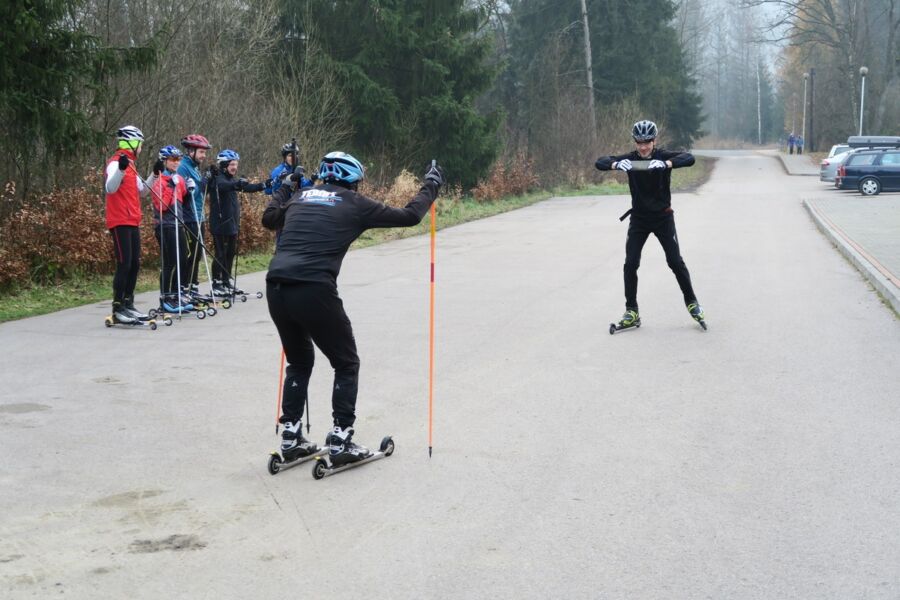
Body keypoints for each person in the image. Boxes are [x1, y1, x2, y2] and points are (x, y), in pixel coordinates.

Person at [263, 152, 444, 465]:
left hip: (276, 286)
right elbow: (410, 216)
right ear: (353, 181)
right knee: (346, 363)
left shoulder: (301, 196)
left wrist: (287, 186)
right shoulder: (354, 203)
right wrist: (430, 186)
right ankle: (341, 439)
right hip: (314, 288)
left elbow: (269, 219)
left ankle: (290, 436)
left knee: (299, 361)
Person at [595, 120, 704, 329]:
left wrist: (667, 164)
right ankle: (632, 311)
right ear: (635, 142)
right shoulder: (630, 158)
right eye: (639, 142)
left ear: (654, 141)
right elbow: (599, 162)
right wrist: (615, 164)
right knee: (631, 263)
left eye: (647, 142)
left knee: (674, 261)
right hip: (639, 220)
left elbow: (689, 158)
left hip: (663, 218)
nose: (643, 147)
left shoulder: (663, 156)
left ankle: (692, 303)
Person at [104, 125, 152, 324]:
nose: (141, 148)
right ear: (132, 143)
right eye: (140, 144)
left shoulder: (131, 164)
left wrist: (155, 176)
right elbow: (110, 187)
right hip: (119, 220)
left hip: (133, 220)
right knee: (124, 263)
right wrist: (122, 170)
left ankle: (128, 303)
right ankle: (118, 308)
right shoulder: (116, 163)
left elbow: (143, 191)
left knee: (135, 263)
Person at [207, 149, 266, 296]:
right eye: (232, 164)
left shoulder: (232, 179)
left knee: (230, 254)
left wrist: (263, 185)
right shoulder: (218, 178)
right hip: (219, 223)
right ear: (224, 165)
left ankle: (226, 281)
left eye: (236, 164)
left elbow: (246, 187)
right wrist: (237, 184)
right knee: (220, 254)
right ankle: (216, 283)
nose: (235, 167)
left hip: (232, 223)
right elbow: (223, 186)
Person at [151, 145, 193, 313]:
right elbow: (161, 206)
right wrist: (170, 186)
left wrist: (190, 191)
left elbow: (184, 203)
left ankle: (176, 294)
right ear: (164, 161)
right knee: (169, 262)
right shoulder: (159, 181)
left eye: (178, 159)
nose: (176, 163)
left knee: (183, 259)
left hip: (179, 223)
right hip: (165, 225)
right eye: (173, 160)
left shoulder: (179, 179)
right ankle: (165, 297)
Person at [177, 134, 212, 298]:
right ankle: (185, 287)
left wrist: (207, 181)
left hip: (199, 216)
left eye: (205, 153)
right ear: (191, 151)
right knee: (191, 255)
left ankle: (193, 287)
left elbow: (201, 192)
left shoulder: (195, 167)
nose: (204, 156)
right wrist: (202, 183)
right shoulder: (183, 167)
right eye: (201, 152)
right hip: (189, 216)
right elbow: (187, 193)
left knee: (197, 254)